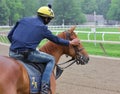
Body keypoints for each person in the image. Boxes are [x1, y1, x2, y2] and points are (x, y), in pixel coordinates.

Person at [7, 4, 80, 94]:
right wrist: (70, 42)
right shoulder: (43, 28)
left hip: (12, 53)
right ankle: (44, 87)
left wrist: (17, 46)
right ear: (46, 18)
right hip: (27, 54)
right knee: (51, 59)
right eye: (49, 19)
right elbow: (55, 39)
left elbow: (9, 36)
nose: (49, 21)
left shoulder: (23, 20)